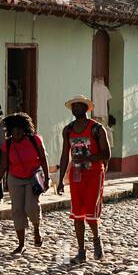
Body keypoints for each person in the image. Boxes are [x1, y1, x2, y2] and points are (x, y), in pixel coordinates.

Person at [57, 94, 111, 263]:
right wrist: (60, 180)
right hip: (76, 176)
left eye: (80, 106)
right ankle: (81, 251)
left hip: (94, 174)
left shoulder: (97, 129)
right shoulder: (68, 130)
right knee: (77, 214)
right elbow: (65, 155)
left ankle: (97, 242)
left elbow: (106, 154)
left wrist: (87, 159)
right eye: (74, 107)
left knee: (91, 212)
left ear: (87, 109)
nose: (76, 109)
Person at [0, 112, 49, 255]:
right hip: (15, 178)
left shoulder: (35, 140)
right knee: (17, 210)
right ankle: (21, 244)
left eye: (19, 129)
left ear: (25, 129)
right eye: (13, 130)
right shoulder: (7, 144)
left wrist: (47, 178)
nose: (16, 133)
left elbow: (43, 159)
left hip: (33, 177)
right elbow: (3, 165)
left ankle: (37, 231)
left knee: (31, 207)